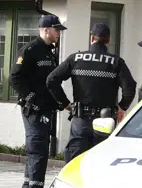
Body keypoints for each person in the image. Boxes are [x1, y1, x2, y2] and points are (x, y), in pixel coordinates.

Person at [47, 21, 136, 163]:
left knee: (75, 162)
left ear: (91, 38)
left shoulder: (75, 58)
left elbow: (51, 80)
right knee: (102, 161)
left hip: (80, 119)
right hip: (105, 121)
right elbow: (130, 87)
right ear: (109, 40)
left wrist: (66, 104)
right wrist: (122, 107)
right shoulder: (116, 62)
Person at [9, 13, 64, 188]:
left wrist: (60, 102)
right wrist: (31, 97)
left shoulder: (50, 52)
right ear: (46, 30)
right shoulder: (31, 50)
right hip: (34, 110)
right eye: (56, 29)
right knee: (38, 153)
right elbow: (14, 77)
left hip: (46, 109)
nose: (59, 33)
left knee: (37, 153)